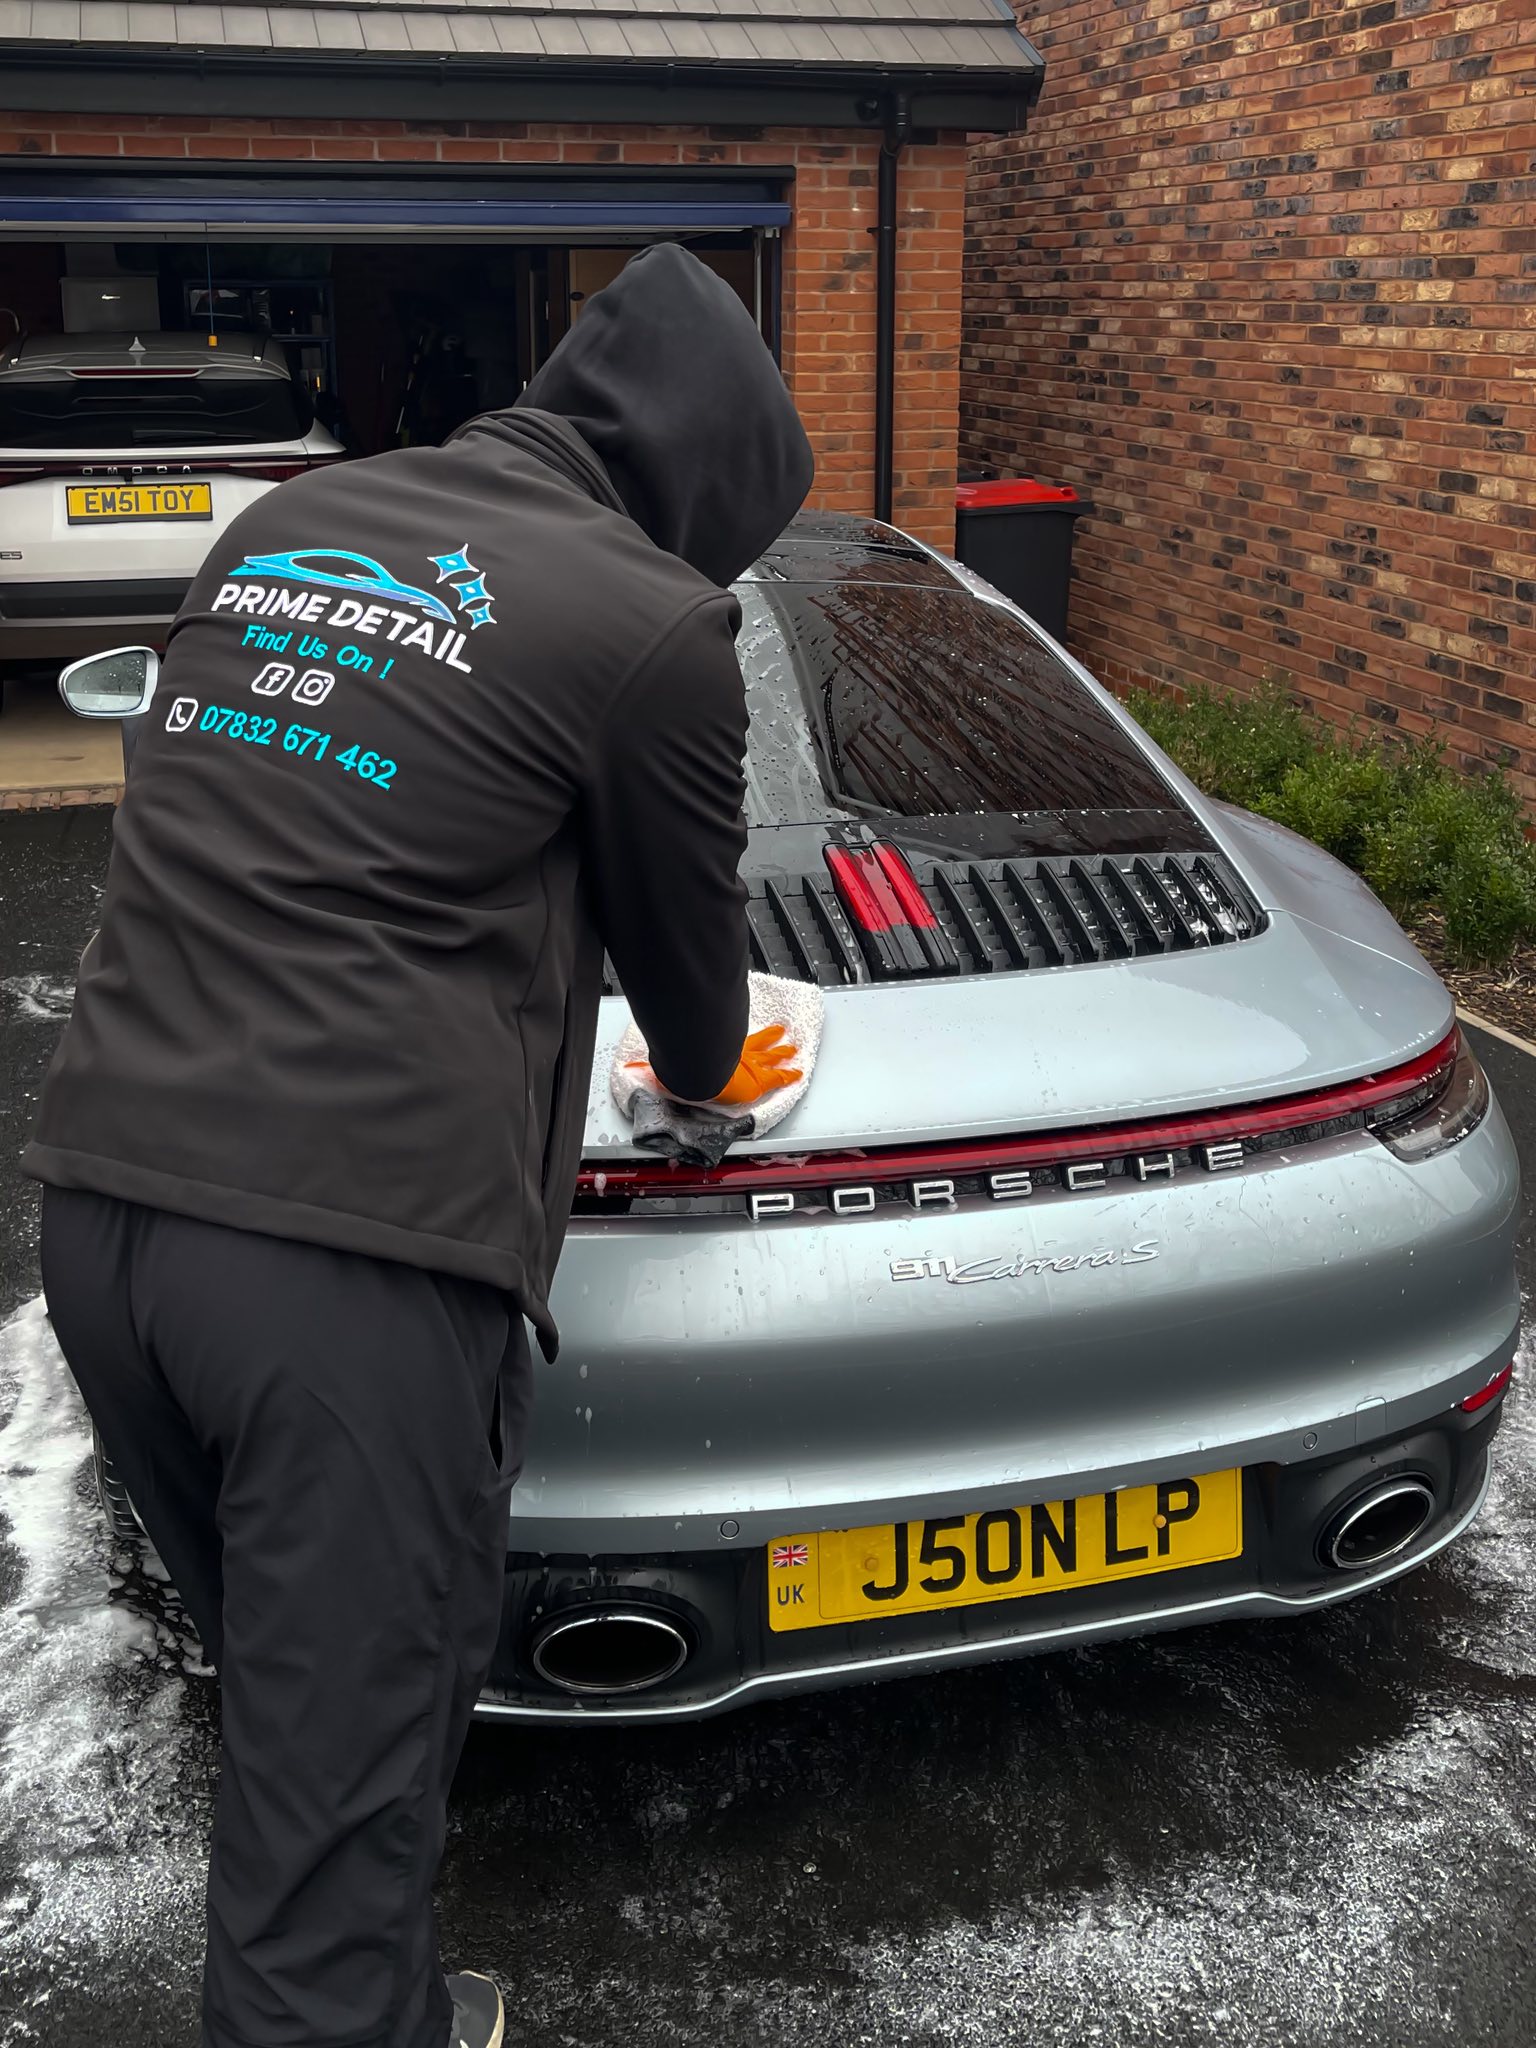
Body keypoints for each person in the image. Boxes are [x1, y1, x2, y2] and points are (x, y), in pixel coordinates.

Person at [27, 243, 813, 2048]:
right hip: (350, 1270)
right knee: (335, 1802)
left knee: (326, 1731)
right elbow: (699, 1008)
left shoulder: (294, 524)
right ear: (708, 486)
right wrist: (702, 1074)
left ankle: (390, 2002)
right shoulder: (650, 624)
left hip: (109, 1220)